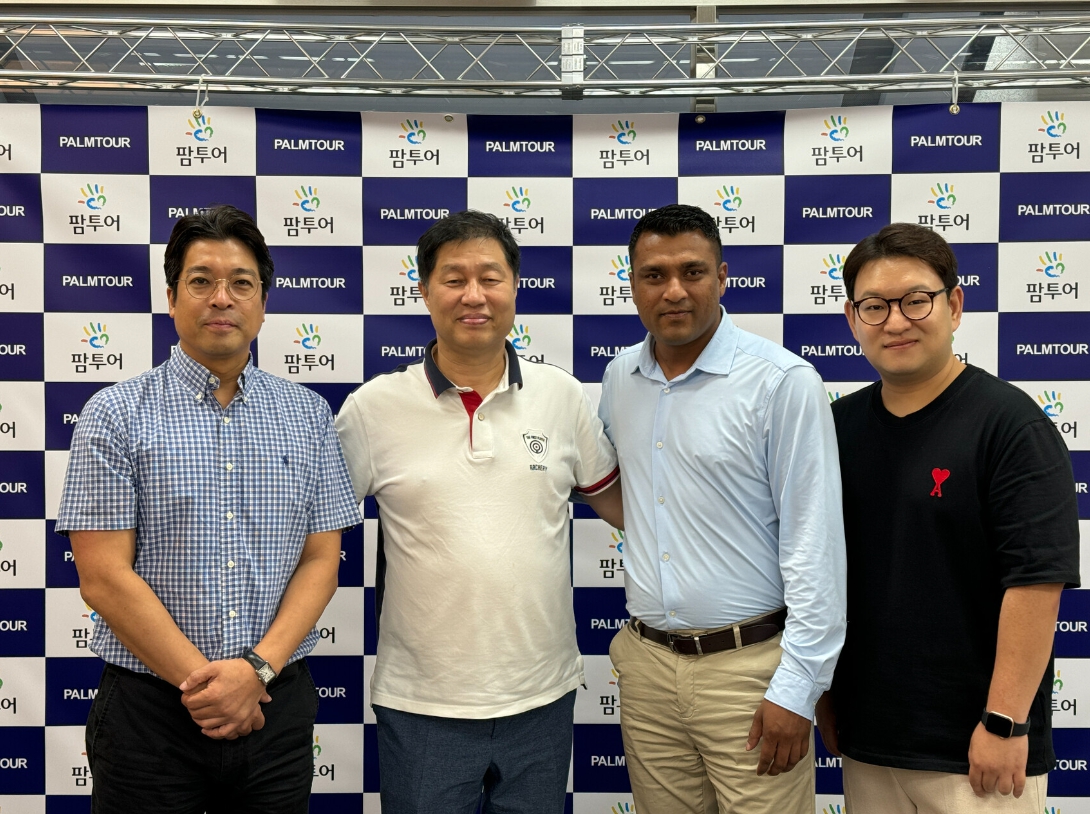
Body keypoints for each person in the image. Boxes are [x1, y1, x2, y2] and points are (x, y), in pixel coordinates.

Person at [55, 205, 362, 813]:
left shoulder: (308, 415)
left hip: (273, 705)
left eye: (241, 283)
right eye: (201, 281)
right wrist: (211, 689)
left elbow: (321, 562)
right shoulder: (114, 415)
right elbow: (103, 577)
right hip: (149, 717)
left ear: (263, 303)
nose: (222, 297)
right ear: (171, 298)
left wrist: (253, 674)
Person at [334, 210, 622, 814]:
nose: (473, 295)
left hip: (541, 697)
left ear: (514, 287)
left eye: (490, 278)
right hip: (423, 705)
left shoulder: (563, 397)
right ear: (424, 290)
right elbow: (312, 536)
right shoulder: (372, 409)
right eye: (453, 279)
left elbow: (624, 507)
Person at [816, 222, 1080, 813]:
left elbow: (1037, 584)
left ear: (954, 305)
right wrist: (824, 693)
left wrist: (1005, 722)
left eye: (916, 300)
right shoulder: (835, 428)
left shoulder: (1011, 426)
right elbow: (819, 570)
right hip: (870, 738)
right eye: (874, 306)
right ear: (852, 319)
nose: (895, 322)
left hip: (977, 751)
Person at [598, 203, 847, 813]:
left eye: (692, 271)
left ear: (722, 277)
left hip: (751, 673)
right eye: (654, 275)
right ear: (632, 283)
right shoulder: (620, 377)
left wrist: (797, 687)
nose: (674, 290)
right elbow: (644, 503)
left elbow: (815, 545)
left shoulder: (780, 382)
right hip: (648, 669)